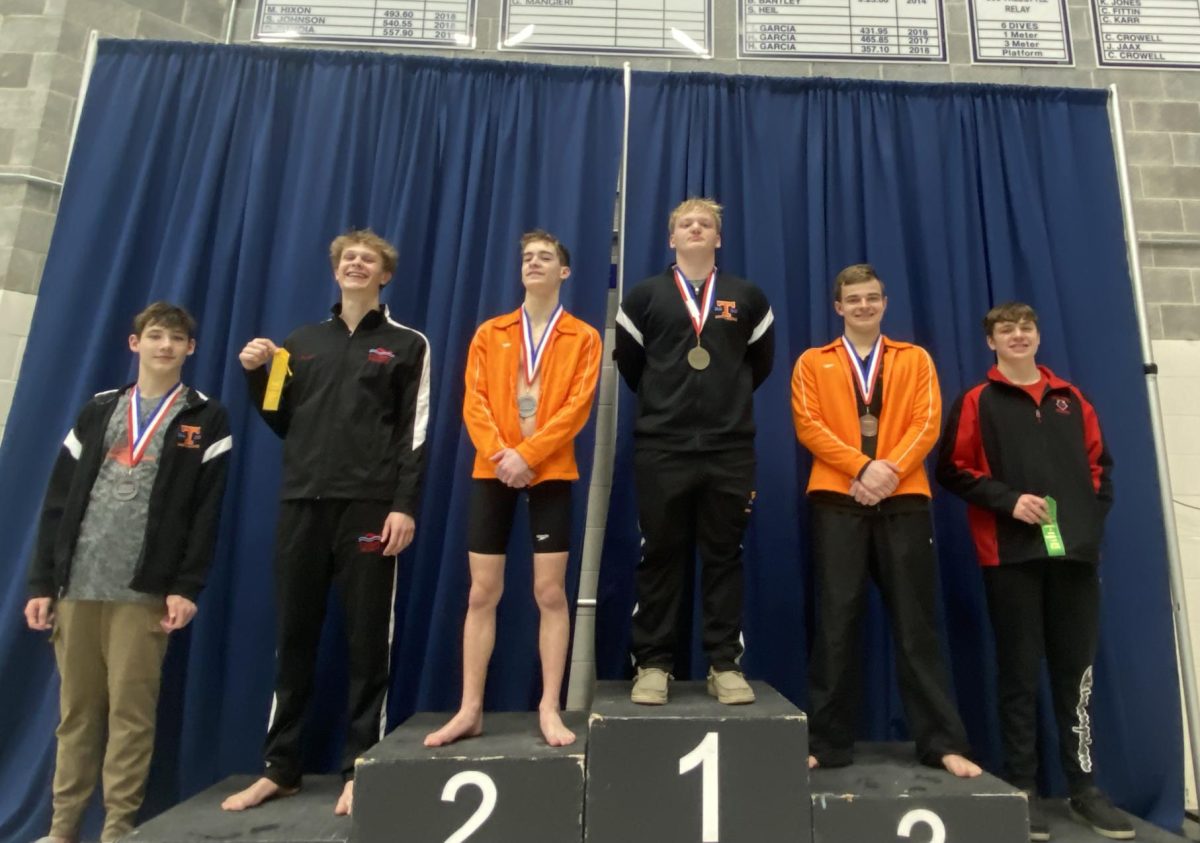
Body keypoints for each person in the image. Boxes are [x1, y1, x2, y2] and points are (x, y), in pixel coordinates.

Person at [222, 229, 430, 817]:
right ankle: (280, 768)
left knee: (368, 643)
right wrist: (257, 374)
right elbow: (280, 418)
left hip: (369, 508)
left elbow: (414, 432)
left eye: (368, 260)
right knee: (294, 637)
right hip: (300, 505)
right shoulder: (298, 341)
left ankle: (362, 767)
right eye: (348, 258)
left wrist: (403, 505)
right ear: (336, 270)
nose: (357, 265)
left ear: (384, 275)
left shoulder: (407, 344)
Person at [25, 302, 232, 843]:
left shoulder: (205, 416)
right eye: (155, 336)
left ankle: (118, 831)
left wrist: (186, 587)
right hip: (78, 585)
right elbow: (57, 500)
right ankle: (62, 828)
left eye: (177, 338)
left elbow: (206, 513)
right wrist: (44, 582)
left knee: (131, 719)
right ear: (134, 343)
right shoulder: (98, 410)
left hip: (144, 592)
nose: (165, 346)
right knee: (75, 716)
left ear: (191, 349)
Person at [936, 302, 1134, 841]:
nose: (1017, 335)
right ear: (991, 343)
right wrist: (1008, 501)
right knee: (1019, 673)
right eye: (1006, 330)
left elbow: (1101, 469)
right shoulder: (977, 401)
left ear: (1038, 336)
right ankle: (1022, 785)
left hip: (1074, 558)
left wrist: (1085, 527)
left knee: (1077, 676)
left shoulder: (1074, 400)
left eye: (1026, 328)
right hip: (1010, 556)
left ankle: (1084, 787)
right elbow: (953, 469)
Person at [791, 263, 979, 778]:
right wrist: (861, 468)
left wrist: (886, 473)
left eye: (872, 298)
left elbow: (928, 422)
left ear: (885, 302)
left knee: (916, 625)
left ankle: (941, 743)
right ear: (838, 307)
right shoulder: (813, 362)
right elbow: (809, 425)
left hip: (903, 499)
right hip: (837, 499)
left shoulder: (914, 359)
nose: (864, 306)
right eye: (854, 299)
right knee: (836, 624)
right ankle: (827, 744)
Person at [424, 230, 601, 749]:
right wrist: (504, 455)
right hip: (493, 470)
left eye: (545, 258)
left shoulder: (584, 336)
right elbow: (472, 401)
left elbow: (577, 407)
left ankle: (550, 706)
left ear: (564, 272)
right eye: (527, 258)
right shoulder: (490, 332)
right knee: (482, 591)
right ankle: (470, 707)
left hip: (549, 472)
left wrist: (530, 454)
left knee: (549, 592)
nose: (534, 264)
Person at [614, 197, 774, 706]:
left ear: (719, 238)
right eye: (686, 224)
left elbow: (758, 365)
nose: (696, 229)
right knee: (660, 555)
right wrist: (672, 406)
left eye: (706, 224)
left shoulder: (747, 297)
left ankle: (724, 663)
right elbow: (633, 367)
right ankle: (654, 664)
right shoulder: (644, 297)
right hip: (662, 447)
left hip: (730, 449)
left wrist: (722, 405)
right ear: (672, 238)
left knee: (724, 556)